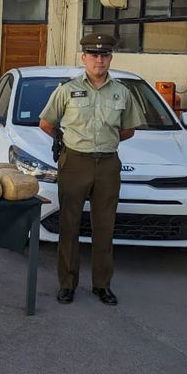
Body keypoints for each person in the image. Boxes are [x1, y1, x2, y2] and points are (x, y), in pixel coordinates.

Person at [38, 33, 145, 306]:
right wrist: (70, 142)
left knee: (104, 227)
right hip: (75, 162)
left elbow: (129, 129)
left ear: (111, 58)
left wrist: (105, 142)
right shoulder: (67, 90)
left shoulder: (122, 91)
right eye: (93, 54)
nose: (99, 59)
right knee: (69, 225)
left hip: (108, 164)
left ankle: (102, 285)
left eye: (104, 54)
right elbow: (47, 123)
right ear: (83, 58)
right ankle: (67, 284)